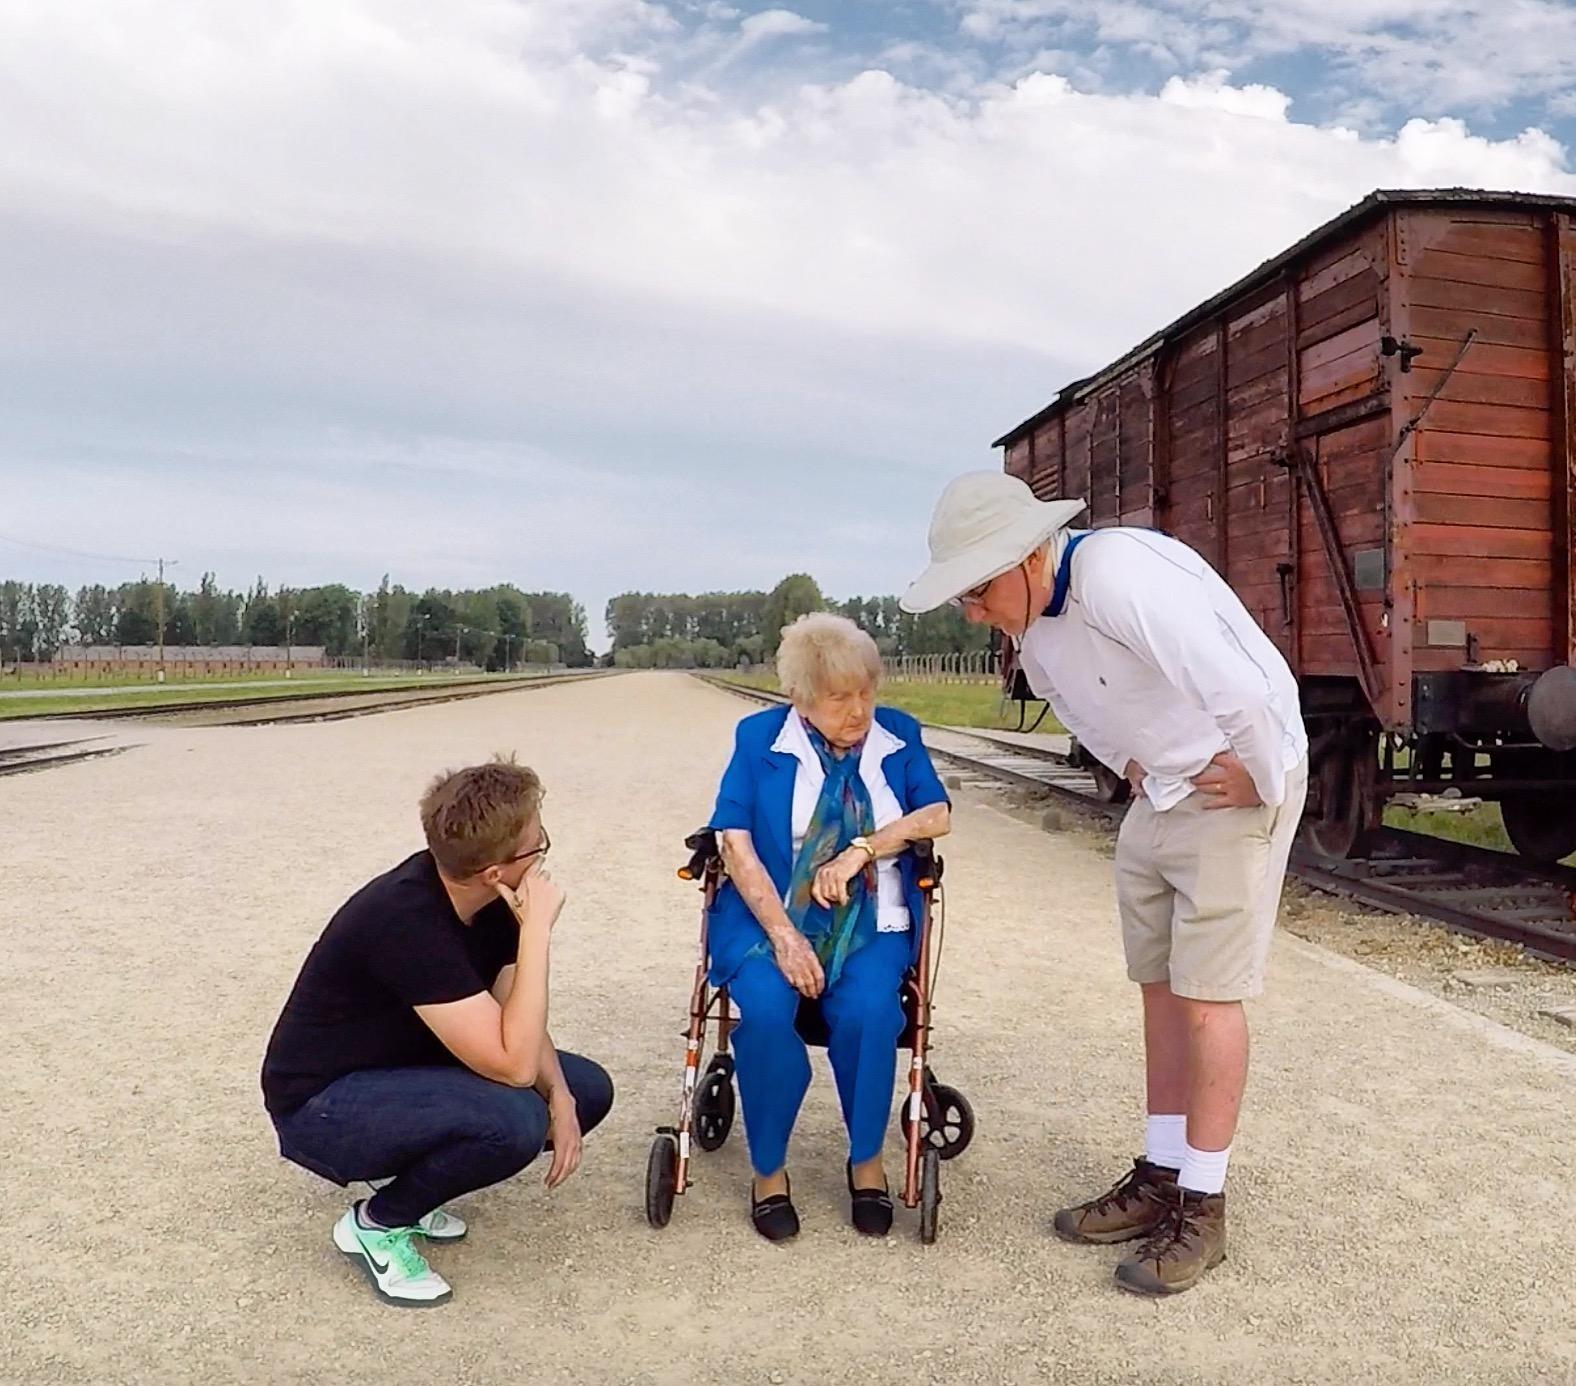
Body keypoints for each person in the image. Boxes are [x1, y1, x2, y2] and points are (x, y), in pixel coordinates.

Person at [901, 472, 1307, 1295]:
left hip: (1230, 788)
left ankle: (1203, 1203)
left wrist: (1264, 778)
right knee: (1159, 987)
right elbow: (1078, 711)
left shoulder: (1118, 575)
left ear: (1024, 556)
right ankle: (1160, 1172)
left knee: (1208, 996)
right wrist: (1139, 767)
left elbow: (1239, 684)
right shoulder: (1038, 634)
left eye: (977, 591)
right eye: (962, 601)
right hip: (1165, 793)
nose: (973, 612)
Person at [261, 756, 613, 1306]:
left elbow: (514, 1016)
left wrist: (563, 1097)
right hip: (321, 1106)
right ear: (496, 870)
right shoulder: (405, 920)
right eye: (537, 841)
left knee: (587, 1089)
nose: (543, 848)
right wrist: (539, 930)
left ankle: (414, 1186)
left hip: (397, 1074)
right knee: (514, 1120)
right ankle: (376, 1224)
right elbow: (514, 1065)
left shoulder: (488, 899)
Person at [708, 613, 951, 1241]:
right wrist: (786, 939)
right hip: (771, 916)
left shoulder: (899, 735)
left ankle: (866, 1161)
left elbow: (936, 813)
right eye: (840, 697)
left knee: (871, 1012)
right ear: (801, 699)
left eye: (867, 691)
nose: (859, 709)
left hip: (872, 917)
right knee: (762, 1011)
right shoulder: (758, 740)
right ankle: (768, 1171)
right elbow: (732, 840)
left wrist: (863, 848)